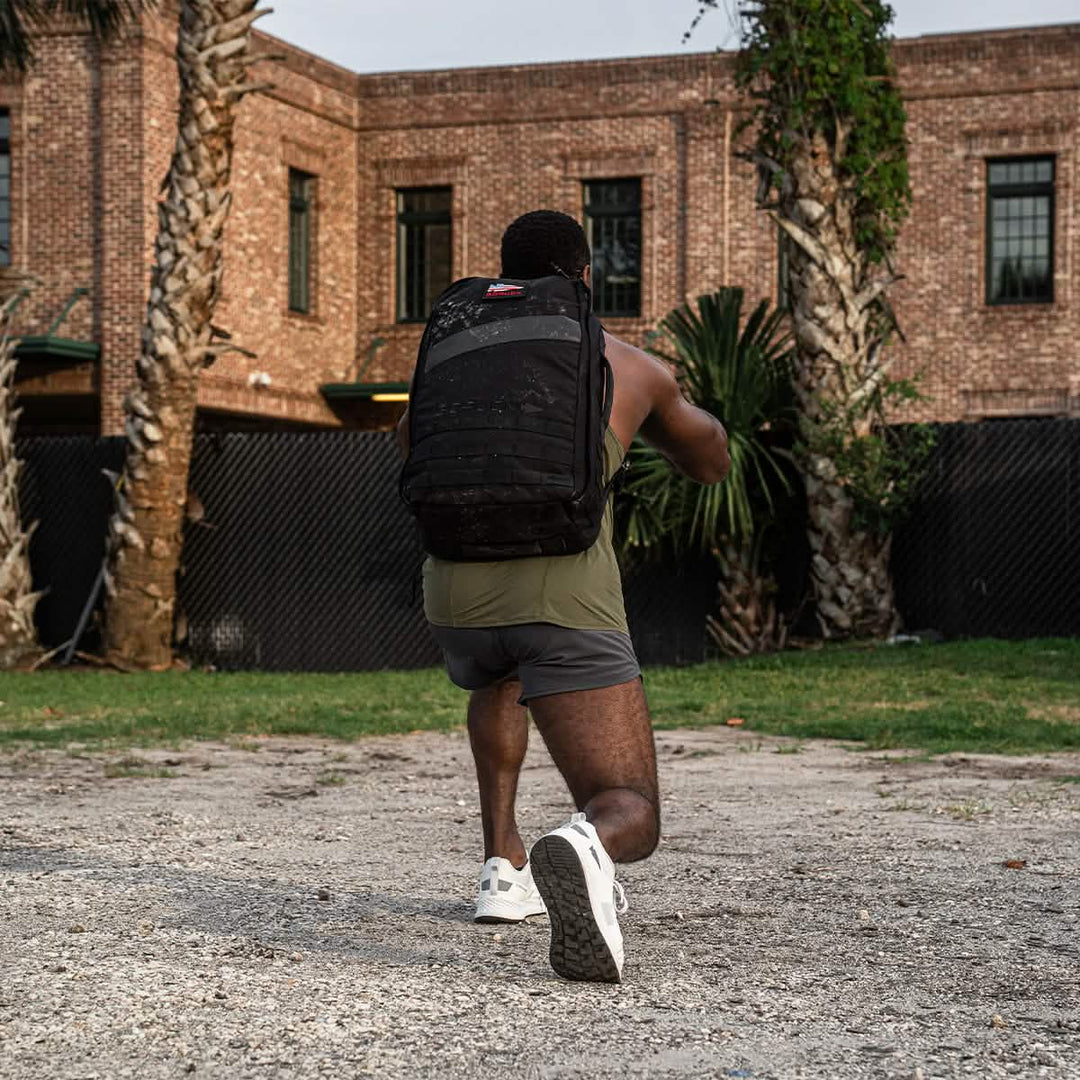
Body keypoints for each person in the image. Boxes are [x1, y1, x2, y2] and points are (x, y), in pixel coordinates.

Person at [398, 210, 729, 983]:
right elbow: (709, 460)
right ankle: (586, 846)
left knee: (500, 675)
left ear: (505, 275)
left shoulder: (454, 352)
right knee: (630, 807)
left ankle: (501, 867)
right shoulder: (624, 362)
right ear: (583, 278)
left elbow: (409, 444)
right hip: (562, 598)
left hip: (453, 596)